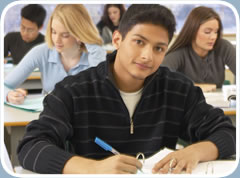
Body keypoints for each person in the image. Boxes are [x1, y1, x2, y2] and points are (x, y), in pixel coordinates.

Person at [17, 4, 235, 174]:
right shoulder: (73, 90)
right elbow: (31, 147)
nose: (147, 56)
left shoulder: (178, 89)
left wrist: (194, 152)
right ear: (117, 39)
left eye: (159, 48)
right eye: (139, 42)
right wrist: (92, 169)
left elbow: (229, 133)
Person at [4, 4, 106, 105]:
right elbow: (5, 85)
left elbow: (104, 92)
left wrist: (89, 40)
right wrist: (8, 95)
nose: (57, 40)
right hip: (49, 116)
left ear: (79, 34)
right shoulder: (42, 51)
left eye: (65, 35)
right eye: (53, 32)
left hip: (84, 117)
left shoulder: (94, 54)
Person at [161, 6, 236, 91]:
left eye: (216, 32)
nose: (213, 37)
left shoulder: (224, 47)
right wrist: (196, 86)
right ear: (192, 31)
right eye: (207, 32)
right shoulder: (179, 53)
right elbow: (159, 80)